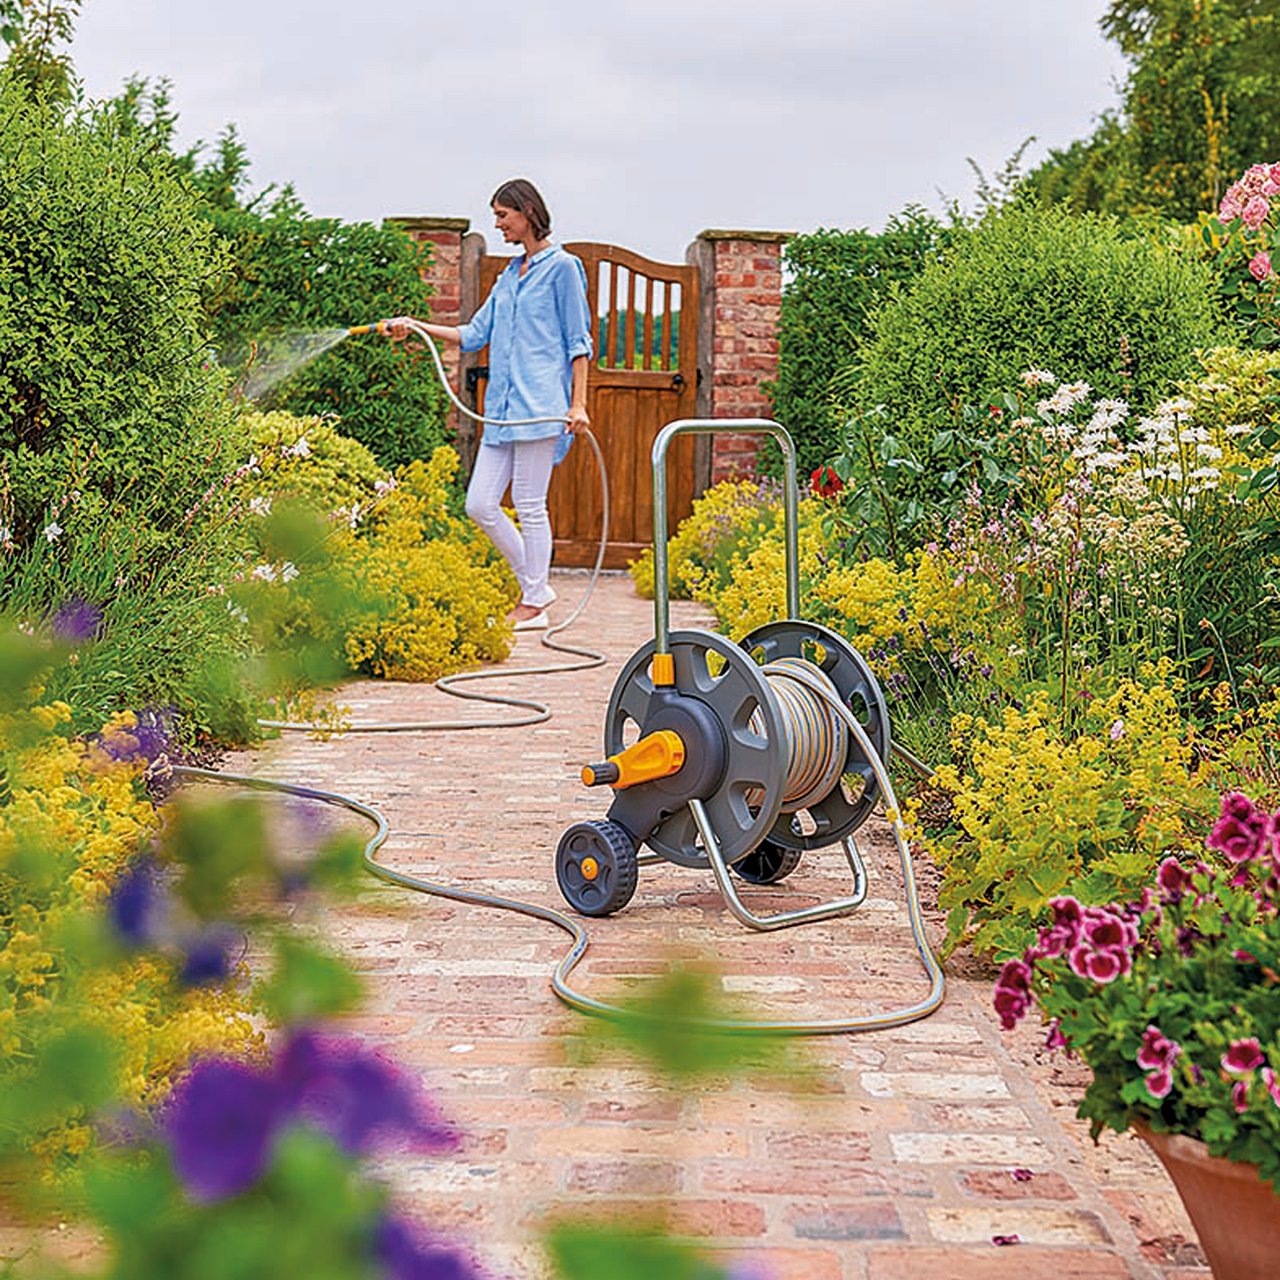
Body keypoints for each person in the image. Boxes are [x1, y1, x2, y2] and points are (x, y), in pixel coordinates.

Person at [386, 179, 593, 631]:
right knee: (479, 504)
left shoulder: (563, 268)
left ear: (527, 212)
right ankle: (537, 588)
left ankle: (534, 601)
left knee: (529, 502)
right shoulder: (507, 275)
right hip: (499, 407)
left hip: (540, 405)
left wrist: (577, 404)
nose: (497, 224)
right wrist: (416, 326)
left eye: (503, 215)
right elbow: (474, 335)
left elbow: (579, 343)